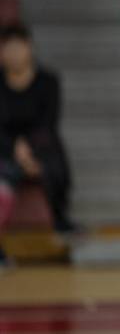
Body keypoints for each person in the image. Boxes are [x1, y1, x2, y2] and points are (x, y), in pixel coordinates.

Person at [0, 24, 79, 267]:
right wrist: (15, 149)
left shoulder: (48, 81)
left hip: (40, 146)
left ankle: (60, 220)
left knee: (53, 163)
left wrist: (29, 154)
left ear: (29, 48)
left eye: (18, 47)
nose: (14, 54)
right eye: (7, 48)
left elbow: (48, 122)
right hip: (4, 148)